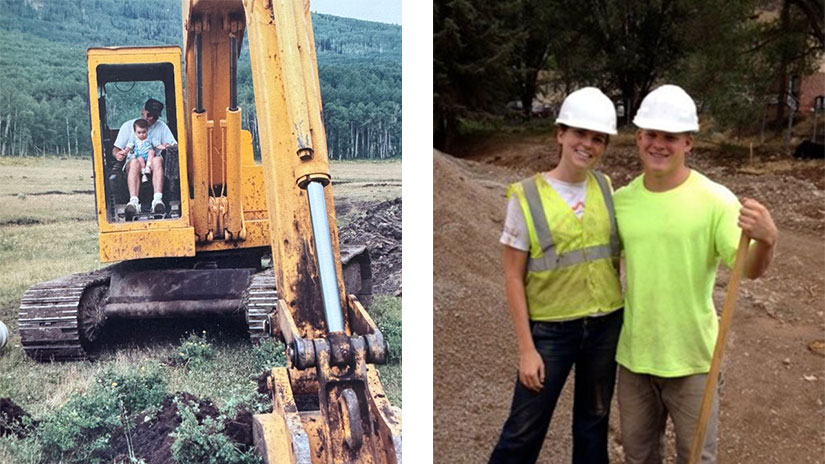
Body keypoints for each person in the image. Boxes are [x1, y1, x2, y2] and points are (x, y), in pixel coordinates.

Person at [613, 84, 778, 464]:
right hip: (635, 358)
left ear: (688, 142)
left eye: (670, 137)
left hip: (694, 361)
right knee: (638, 457)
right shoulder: (622, 202)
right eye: (651, 135)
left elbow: (746, 270)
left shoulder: (715, 200)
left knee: (696, 458)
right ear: (638, 138)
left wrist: (767, 241)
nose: (659, 144)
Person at [489, 87, 624, 464]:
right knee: (523, 432)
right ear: (560, 134)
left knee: (593, 424)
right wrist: (526, 349)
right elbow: (513, 277)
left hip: (605, 324)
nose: (588, 144)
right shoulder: (527, 196)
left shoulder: (606, 188)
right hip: (551, 331)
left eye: (598, 138)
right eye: (580, 133)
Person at [112, 98, 177, 215]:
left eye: (155, 116)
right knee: (134, 162)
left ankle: (157, 200)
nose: (151, 118)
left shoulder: (161, 127)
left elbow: (173, 145)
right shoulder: (128, 126)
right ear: (143, 112)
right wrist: (118, 154)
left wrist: (168, 146)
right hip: (134, 162)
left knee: (157, 159)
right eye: (150, 114)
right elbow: (116, 148)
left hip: (152, 164)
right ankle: (133, 201)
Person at [115, 118, 156, 185]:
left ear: (147, 130)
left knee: (157, 161)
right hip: (138, 157)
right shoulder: (133, 138)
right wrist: (123, 152)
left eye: (155, 116)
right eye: (139, 132)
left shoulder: (151, 138)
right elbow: (127, 146)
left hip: (150, 158)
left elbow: (157, 144)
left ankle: (158, 194)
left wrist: (164, 146)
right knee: (134, 163)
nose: (142, 134)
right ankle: (134, 194)